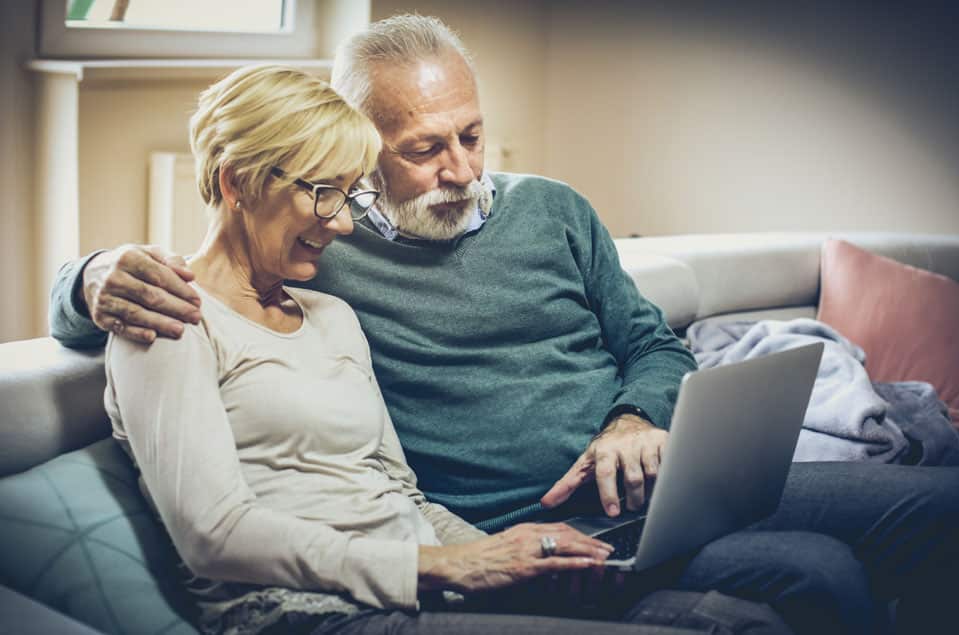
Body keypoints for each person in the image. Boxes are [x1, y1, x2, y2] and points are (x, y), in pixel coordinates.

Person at [51, 15, 959, 635]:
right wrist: (87, 274)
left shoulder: (540, 215)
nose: (462, 169)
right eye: (423, 150)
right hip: (513, 523)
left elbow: (652, 342)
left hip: (651, 494)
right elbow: (178, 283)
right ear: (352, 147)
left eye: (471, 134)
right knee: (806, 577)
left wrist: (637, 418)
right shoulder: (323, 249)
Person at [100, 62, 786, 635]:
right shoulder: (167, 320)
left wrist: (516, 556)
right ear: (235, 181)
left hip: (424, 584)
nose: (342, 223)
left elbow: (405, 494)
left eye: (350, 194)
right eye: (323, 195)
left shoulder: (331, 313)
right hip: (309, 612)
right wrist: (450, 567)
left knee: (733, 617)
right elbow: (215, 536)